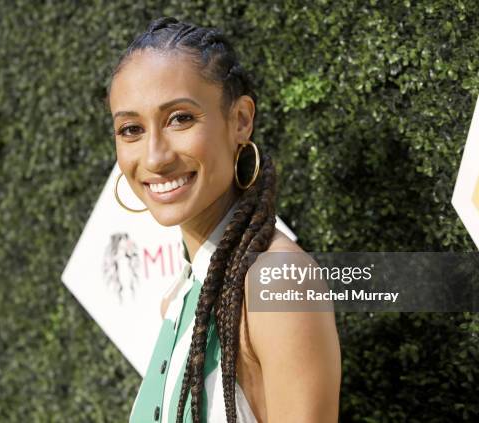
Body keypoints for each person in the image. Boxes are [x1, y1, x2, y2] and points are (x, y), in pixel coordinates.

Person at [105, 16, 341, 423]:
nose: (156, 156)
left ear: (241, 120)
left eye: (180, 118)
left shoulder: (278, 280)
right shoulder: (180, 297)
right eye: (131, 129)